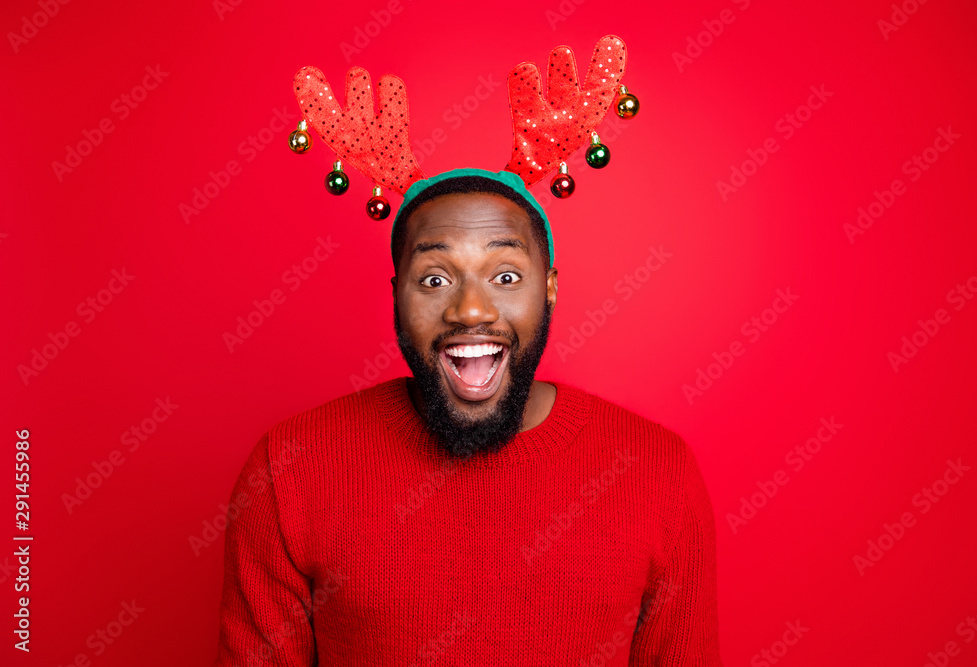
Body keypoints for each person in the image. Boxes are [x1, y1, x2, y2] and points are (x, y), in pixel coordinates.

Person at [212, 167, 724, 665]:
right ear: (396, 295)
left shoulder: (658, 472)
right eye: (434, 279)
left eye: (505, 276)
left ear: (548, 288)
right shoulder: (291, 467)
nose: (471, 310)